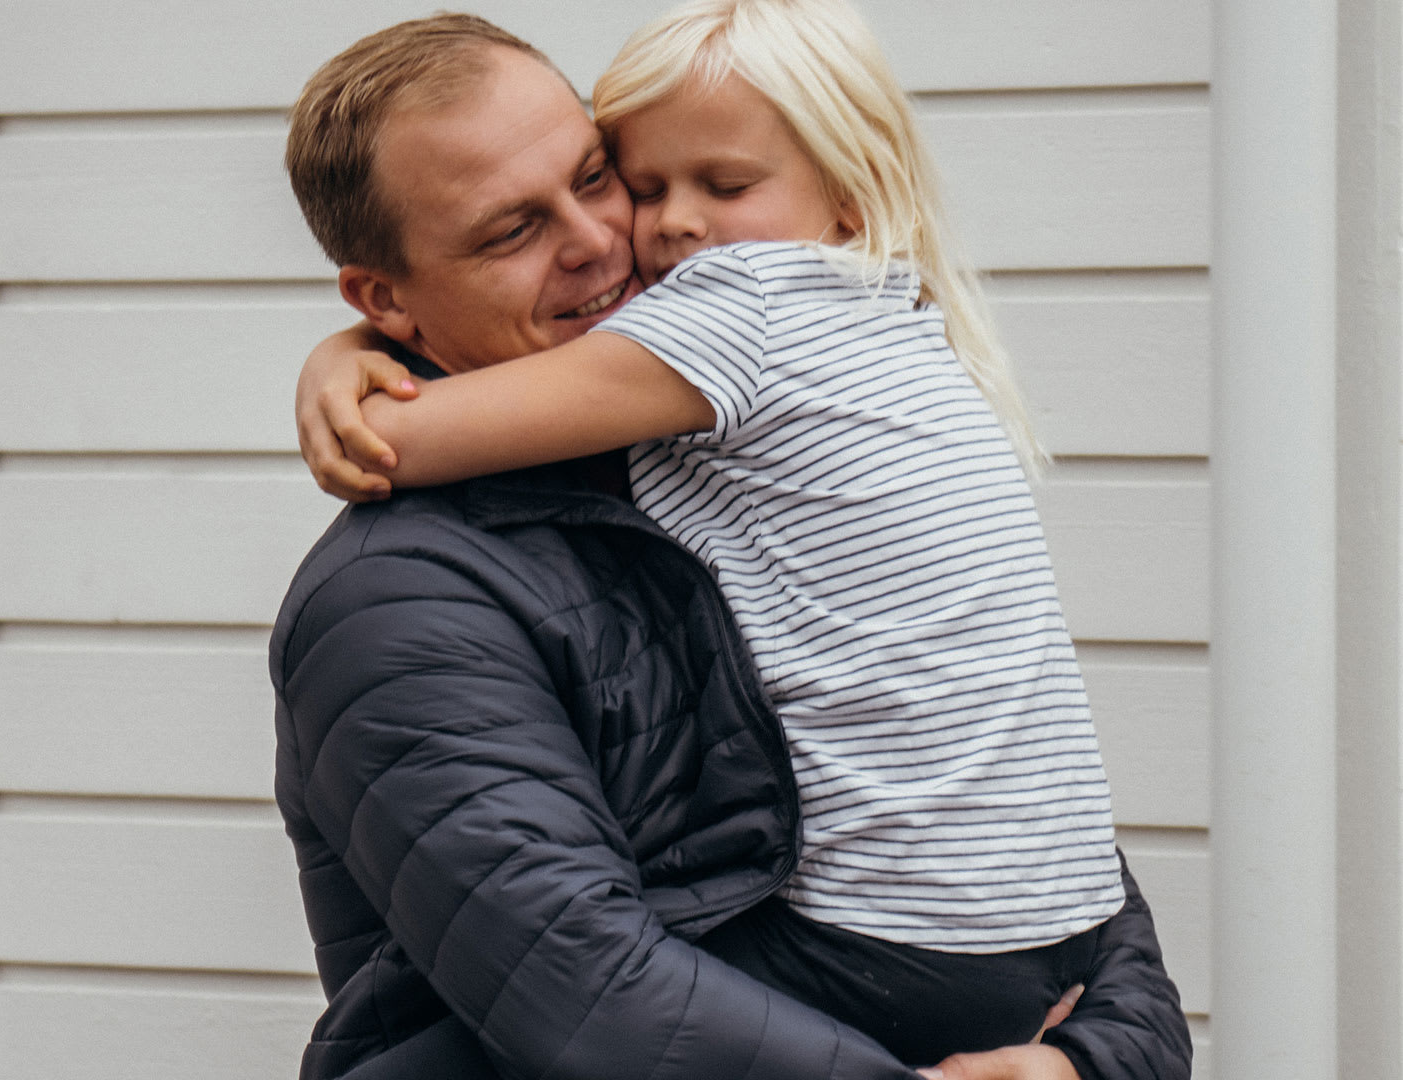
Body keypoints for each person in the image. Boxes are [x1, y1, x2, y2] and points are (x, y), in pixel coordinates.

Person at [275, 8, 1192, 1080]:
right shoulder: (401, 602)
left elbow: (1028, 835)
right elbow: (595, 995)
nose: (611, 238)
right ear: (388, 298)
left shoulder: (772, 468)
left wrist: (1087, 1062)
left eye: (594, 175)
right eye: (510, 231)